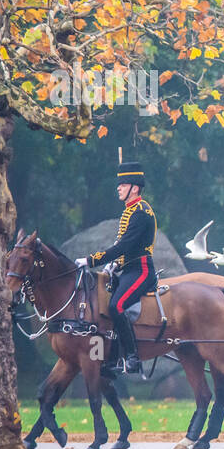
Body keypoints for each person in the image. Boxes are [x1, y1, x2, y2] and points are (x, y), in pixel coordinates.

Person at [75, 160, 157, 374]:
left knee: (116, 306)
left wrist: (91, 260)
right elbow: (124, 249)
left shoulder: (141, 212)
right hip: (128, 269)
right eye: (119, 184)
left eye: (123, 184)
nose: (118, 188)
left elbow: (124, 246)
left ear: (135, 188)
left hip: (141, 271)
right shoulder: (129, 210)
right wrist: (114, 265)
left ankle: (132, 358)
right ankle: (111, 359)